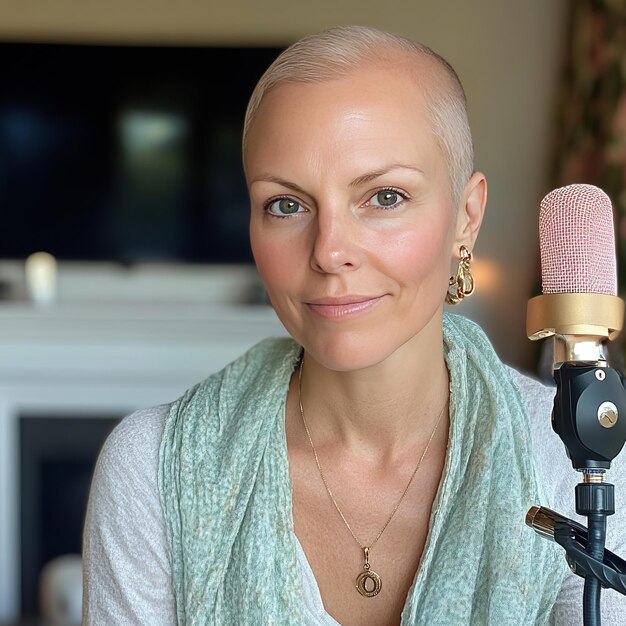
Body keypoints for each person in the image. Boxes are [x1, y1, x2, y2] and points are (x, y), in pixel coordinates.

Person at [82, 26, 626, 625]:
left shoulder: (569, 467)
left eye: (384, 197)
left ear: (466, 219)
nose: (328, 251)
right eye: (286, 205)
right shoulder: (151, 471)